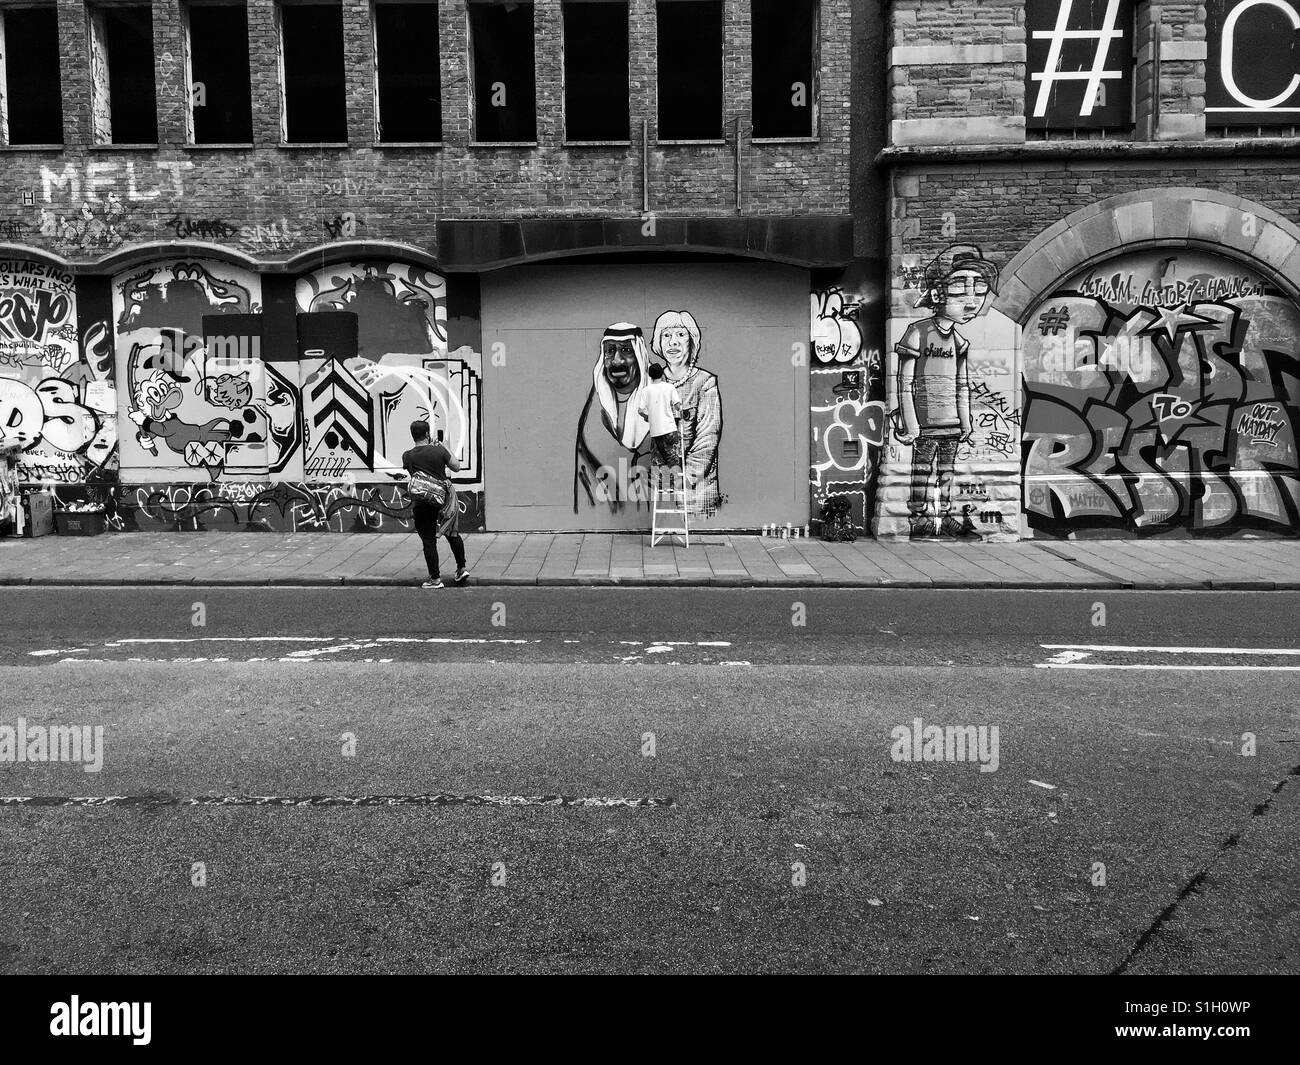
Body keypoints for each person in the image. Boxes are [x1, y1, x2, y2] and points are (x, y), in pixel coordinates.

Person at [892, 244, 998, 541]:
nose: (971, 299)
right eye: (960, 288)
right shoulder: (918, 332)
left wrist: (966, 422)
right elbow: (904, 382)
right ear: (938, 294)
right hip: (924, 425)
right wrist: (911, 424)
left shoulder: (960, 342)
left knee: (947, 473)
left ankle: (948, 515)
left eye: (978, 288)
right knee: (922, 472)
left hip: (950, 424)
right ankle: (919, 517)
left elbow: (962, 385)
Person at [650, 310, 722, 516]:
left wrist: (683, 478)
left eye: (681, 335)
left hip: (697, 494)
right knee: (662, 525)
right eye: (667, 335)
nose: (673, 342)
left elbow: (708, 438)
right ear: (659, 342)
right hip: (663, 483)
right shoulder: (653, 384)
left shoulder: (704, 383)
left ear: (692, 341)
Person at [574, 322, 652, 511]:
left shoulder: (654, 396)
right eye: (610, 351)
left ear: (639, 355)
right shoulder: (594, 409)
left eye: (626, 350)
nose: (617, 361)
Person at [402, 419, 468, 589]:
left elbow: (414, 475)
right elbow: (456, 467)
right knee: (452, 533)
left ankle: (435, 579)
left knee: (428, 540)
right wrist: (444, 447)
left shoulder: (408, 455)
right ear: (427, 433)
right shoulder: (438, 451)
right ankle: (461, 568)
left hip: (422, 502)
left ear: (413, 435)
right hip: (443, 500)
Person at [637, 363, 683, 480]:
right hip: (670, 429)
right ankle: (675, 484)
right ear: (662, 374)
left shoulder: (646, 391)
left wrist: (647, 417)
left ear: (650, 375)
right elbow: (677, 406)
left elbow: (640, 410)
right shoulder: (669, 387)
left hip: (656, 432)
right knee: (673, 459)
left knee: (658, 461)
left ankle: (663, 485)